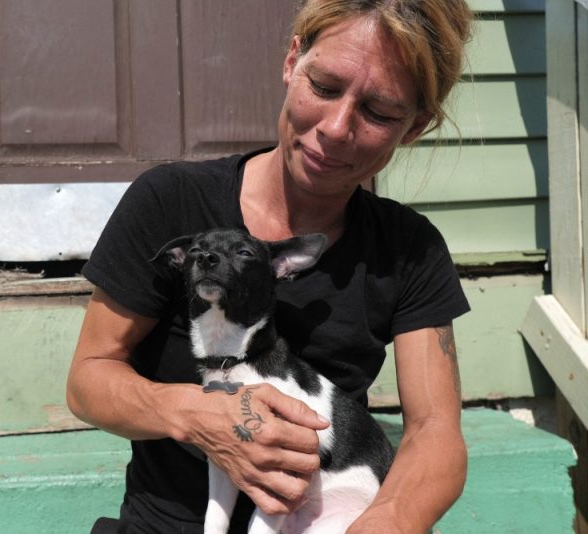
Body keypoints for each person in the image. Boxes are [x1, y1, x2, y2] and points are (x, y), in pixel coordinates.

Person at [67, 0, 473, 532]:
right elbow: (87, 381)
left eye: (379, 112)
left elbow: (435, 432)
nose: (335, 127)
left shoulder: (410, 248)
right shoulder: (172, 201)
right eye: (324, 87)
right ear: (291, 61)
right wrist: (196, 414)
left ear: (415, 125)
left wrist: (387, 522)